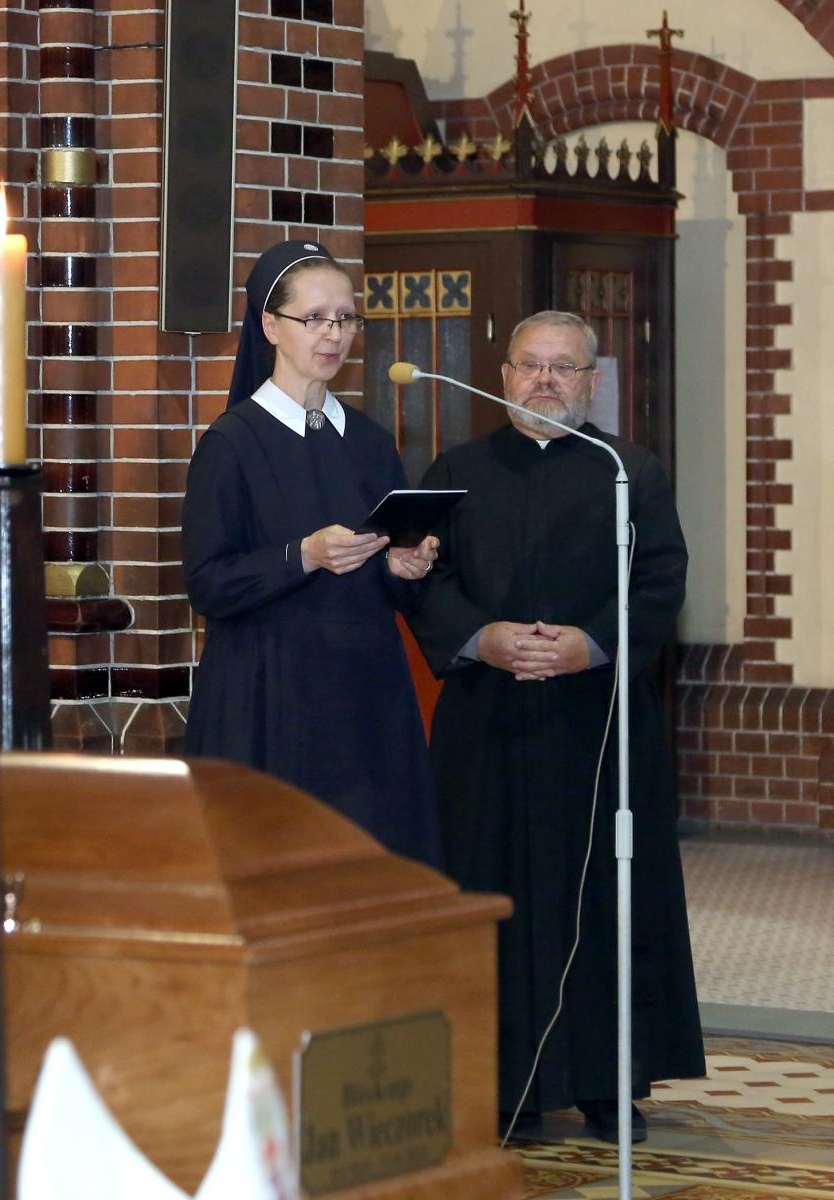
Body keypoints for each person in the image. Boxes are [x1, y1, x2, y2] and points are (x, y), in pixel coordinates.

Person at [407, 311, 705, 1141]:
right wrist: (482, 639)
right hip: (487, 722)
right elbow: (428, 581)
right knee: (492, 888)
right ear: (501, 377)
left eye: (563, 369)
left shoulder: (629, 472)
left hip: (596, 719)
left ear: (592, 382)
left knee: (609, 891)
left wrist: (591, 644)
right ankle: (502, 1084)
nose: (545, 381)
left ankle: (612, 1081)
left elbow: (660, 581)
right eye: (530, 367)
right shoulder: (456, 469)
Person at [181, 239, 443, 867]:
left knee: (370, 875)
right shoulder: (231, 443)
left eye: (346, 318)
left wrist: (403, 567)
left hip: (366, 694)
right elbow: (208, 583)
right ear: (270, 326)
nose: (334, 334)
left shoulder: (373, 443)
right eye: (316, 318)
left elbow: (393, 571)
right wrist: (303, 554)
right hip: (270, 696)